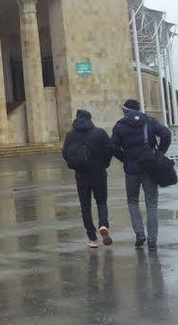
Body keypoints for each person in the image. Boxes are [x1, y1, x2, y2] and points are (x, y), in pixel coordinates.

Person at [111, 98, 172, 251]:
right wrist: (159, 152)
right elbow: (166, 134)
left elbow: (113, 147)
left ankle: (139, 234)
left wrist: (124, 158)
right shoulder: (149, 121)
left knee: (132, 201)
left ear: (125, 111)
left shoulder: (119, 126)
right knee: (152, 203)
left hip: (131, 169)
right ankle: (152, 240)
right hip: (150, 168)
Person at [62, 109, 113, 248]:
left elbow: (65, 153)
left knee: (85, 206)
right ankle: (103, 225)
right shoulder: (100, 132)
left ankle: (92, 238)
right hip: (98, 172)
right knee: (101, 202)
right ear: (90, 119)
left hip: (81, 175)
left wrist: (75, 164)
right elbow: (110, 149)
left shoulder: (70, 135)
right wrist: (104, 163)